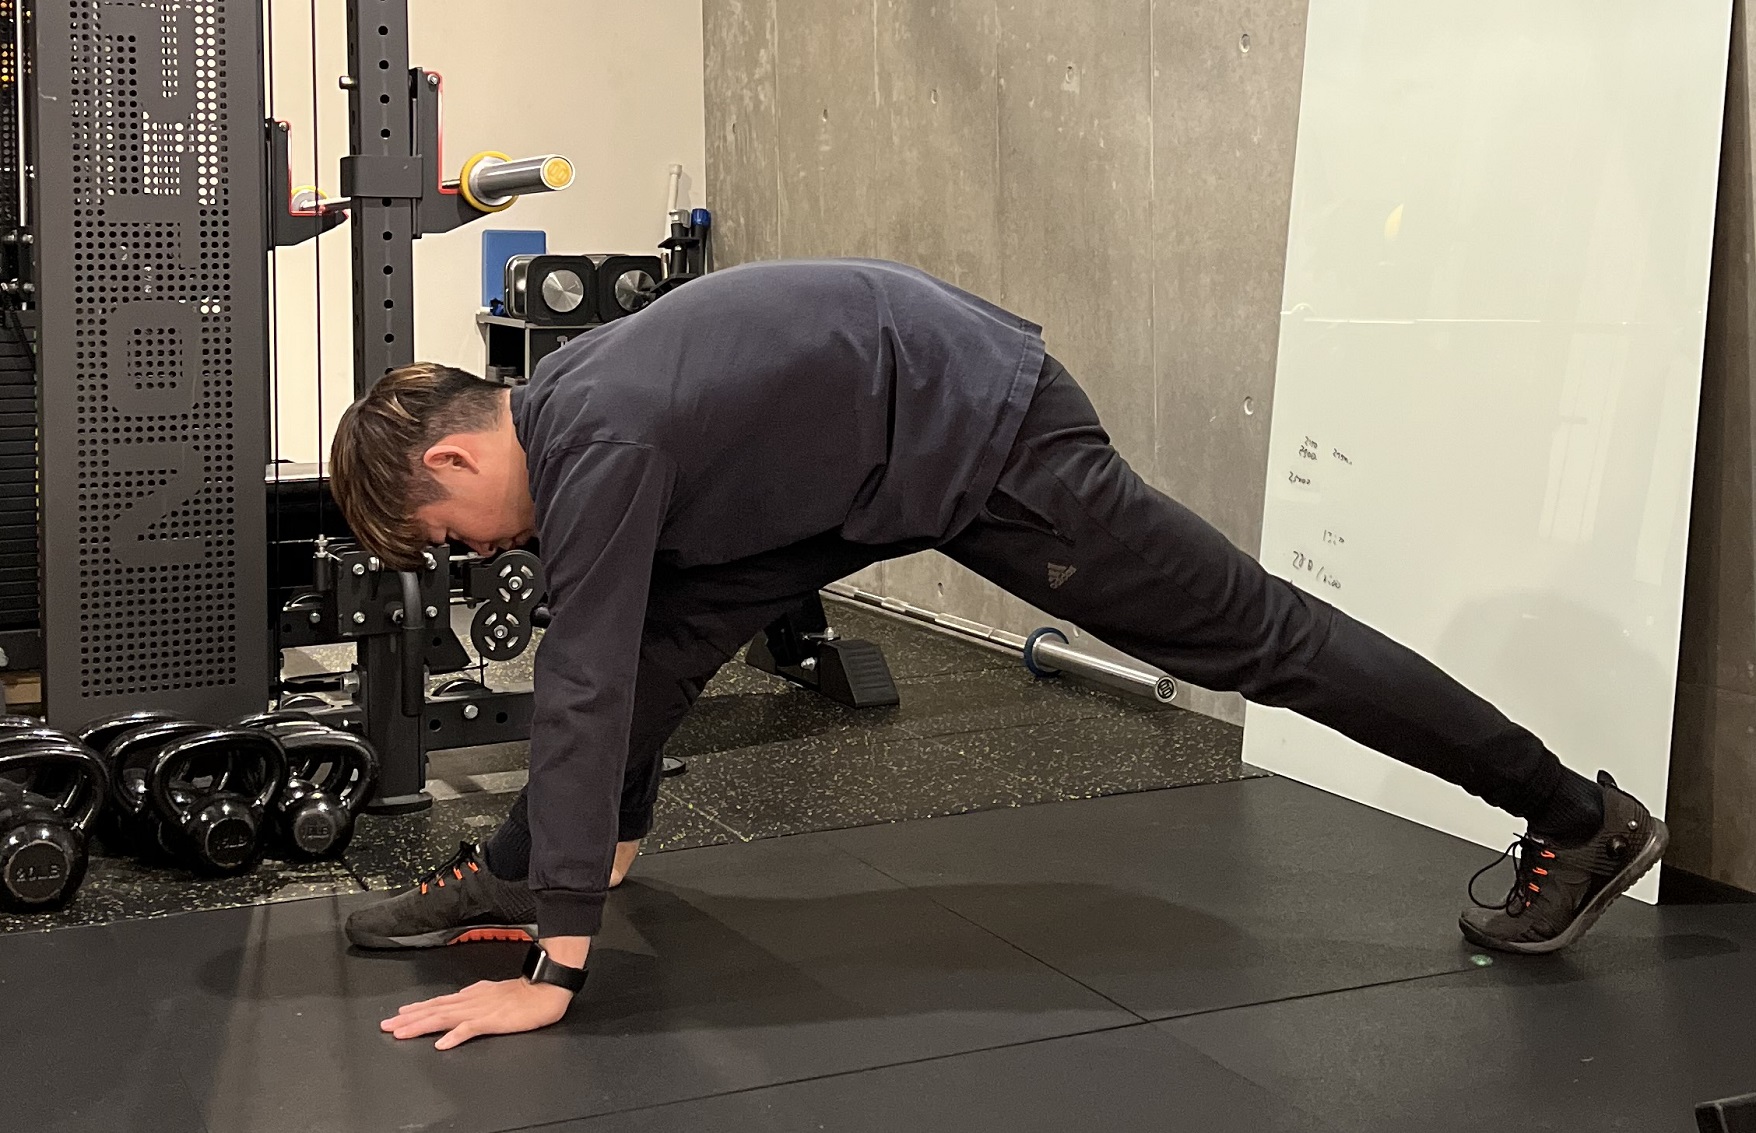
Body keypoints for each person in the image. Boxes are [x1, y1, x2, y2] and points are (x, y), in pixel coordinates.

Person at [328, 258, 1668, 1049]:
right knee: (663, 633)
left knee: (1262, 640)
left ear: (452, 459)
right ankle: (525, 868)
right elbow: (630, 654)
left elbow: (583, 684)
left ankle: (1574, 815)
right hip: (862, 460)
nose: (471, 552)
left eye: (445, 534)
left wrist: (557, 973)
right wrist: (593, 848)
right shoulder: (569, 399)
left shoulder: (599, 436)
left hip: (986, 436)